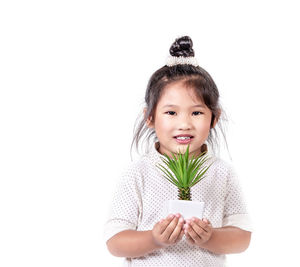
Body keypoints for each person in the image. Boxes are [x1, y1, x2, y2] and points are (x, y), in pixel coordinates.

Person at [104, 36, 253, 266]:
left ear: (215, 118)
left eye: (196, 113)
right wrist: (153, 239)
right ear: (150, 118)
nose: (184, 124)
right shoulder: (138, 173)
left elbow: (242, 238)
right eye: (171, 113)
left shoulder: (221, 173)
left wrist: (210, 237)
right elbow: (115, 241)